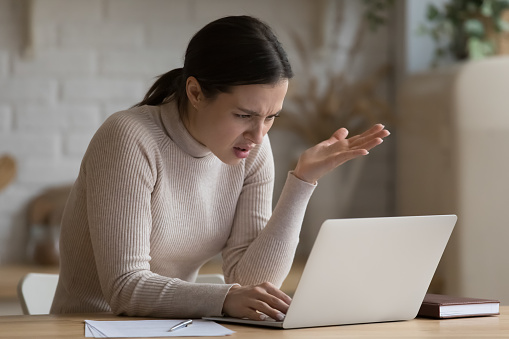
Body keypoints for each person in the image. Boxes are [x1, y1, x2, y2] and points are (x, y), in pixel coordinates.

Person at [50, 15, 389, 321]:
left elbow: (252, 284)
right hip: (89, 327)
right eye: (244, 115)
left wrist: (302, 181)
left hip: (174, 329)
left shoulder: (250, 149)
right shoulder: (129, 139)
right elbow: (125, 287)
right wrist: (225, 299)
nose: (258, 135)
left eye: (271, 118)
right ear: (196, 92)